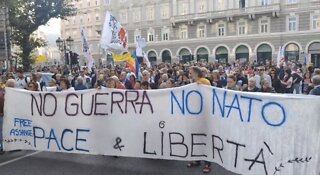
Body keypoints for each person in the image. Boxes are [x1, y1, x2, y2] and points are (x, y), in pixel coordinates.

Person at [187, 66, 211, 173]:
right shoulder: (193, 83)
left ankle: (207, 163)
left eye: (191, 72)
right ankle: (197, 159)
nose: (189, 74)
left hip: (204, 115)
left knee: (204, 138)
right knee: (196, 138)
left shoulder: (204, 82)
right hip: (196, 114)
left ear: (196, 73)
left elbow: (207, 95)